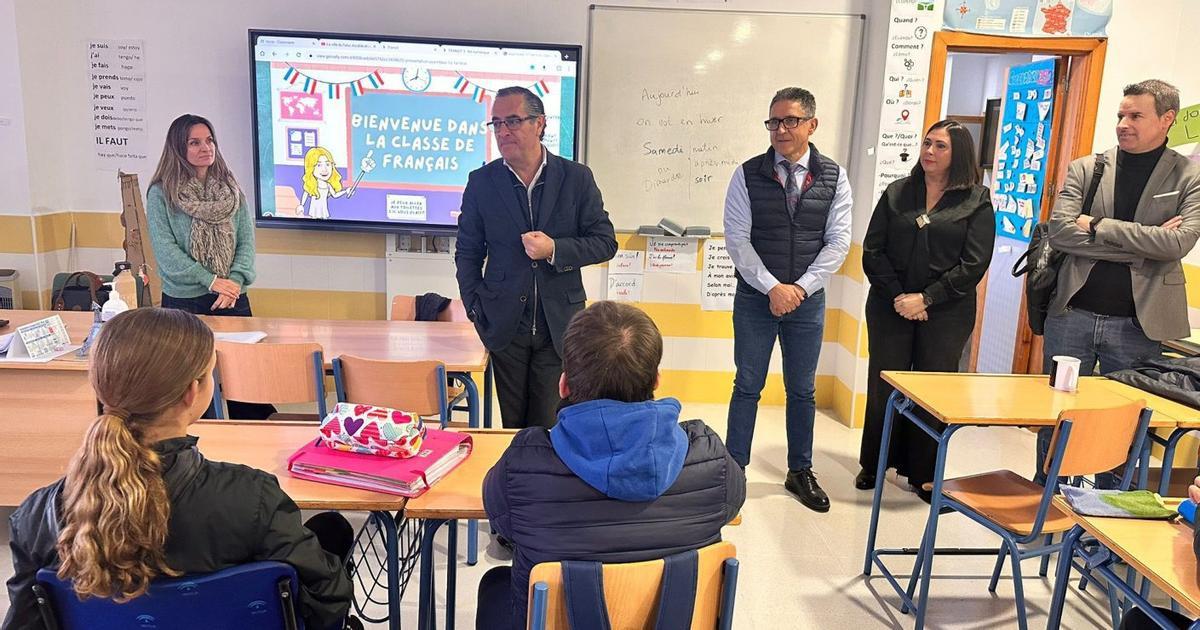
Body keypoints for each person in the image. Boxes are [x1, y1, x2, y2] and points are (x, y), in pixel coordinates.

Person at [3, 308, 356, 630]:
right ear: (193, 392)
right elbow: (329, 601)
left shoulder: (36, 515)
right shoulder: (253, 499)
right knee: (332, 530)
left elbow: (26, 622)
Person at [475, 301, 746, 630]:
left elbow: (501, 520)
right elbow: (733, 504)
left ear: (563, 385)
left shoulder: (524, 463)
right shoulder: (710, 457)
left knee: (495, 584)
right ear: (656, 380)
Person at [1037, 79, 1200, 486]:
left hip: (1137, 325)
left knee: (1124, 425)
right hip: (1071, 314)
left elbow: (1178, 243)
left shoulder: (1189, 176)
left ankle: (1108, 513)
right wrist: (1144, 245)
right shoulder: (1087, 168)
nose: (1123, 124)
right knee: (1054, 416)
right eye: (1120, 115)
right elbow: (1061, 233)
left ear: (1167, 119)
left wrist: (1098, 226)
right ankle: (1047, 500)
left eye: (1135, 116)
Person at [455, 86, 617, 429]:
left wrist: (555, 249)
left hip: (558, 323)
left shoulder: (576, 178)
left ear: (539, 123)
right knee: (512, 426)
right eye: (497, 123)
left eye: (513, 121)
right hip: (503, 324)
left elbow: (605, 242)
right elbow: (467, 253)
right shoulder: (482, 182)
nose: (503, 131)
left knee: (547, 423)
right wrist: (475, 307)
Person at [722, 86, 852, 512]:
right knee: (747, 385)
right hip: (755, 298)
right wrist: (772, 288)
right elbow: (738, 239)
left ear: (812, 125)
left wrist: (800, 288)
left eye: (790, 121)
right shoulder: (747, 174)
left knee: (802, 390)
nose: (780, 129)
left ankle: (800, 470)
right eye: (774, 121)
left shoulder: (833, 176)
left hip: (807, 302)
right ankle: (734, 470)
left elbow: (838, 241)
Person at [857, 120, 995, 504]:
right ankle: (875, 462)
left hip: (946, 311)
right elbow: (873, 250)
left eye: (940, 146)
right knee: (885, 385)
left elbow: (974, 263)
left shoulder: (976, 201)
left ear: (958, 154)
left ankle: (923, 473)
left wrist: (927, 298)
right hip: (890, 305)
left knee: (932, 390)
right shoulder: (898, 192)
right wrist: (901, 297)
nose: (929, 152)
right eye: (927, 143)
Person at [147, 114, 272, 419]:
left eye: (209, 140)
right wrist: (211, 280)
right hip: (184, 303)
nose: (205, 148)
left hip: (232, 297)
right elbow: (166, 253)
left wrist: (235, 281)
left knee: (248, 388)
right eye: (194, 143)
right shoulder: (161, 193)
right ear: (178, 148)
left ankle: (253, 441)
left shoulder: (232, 190)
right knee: (192, 390)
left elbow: (246, 243)